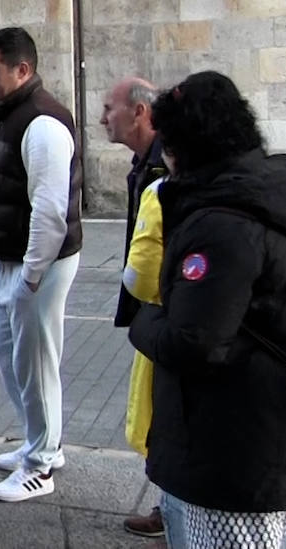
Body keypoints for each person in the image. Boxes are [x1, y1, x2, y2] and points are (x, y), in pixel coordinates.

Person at [130, 71, 286, 549]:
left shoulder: (222, 223)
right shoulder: (270, 191)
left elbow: (195, 341)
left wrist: (144, 320)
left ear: (183, 147)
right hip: (277, 425)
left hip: (237, 444)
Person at [0, 26, 83, 503]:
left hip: (38, 263)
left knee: (35, 362)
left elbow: (51, 210)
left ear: (22, 69)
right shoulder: (14, 114)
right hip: (12, 258)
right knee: (11, 355)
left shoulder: (42, 123)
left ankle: (40, 465)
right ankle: (42, 441)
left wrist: (32, 276)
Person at [99, 76, 167, 538]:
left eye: (109, 108)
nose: (103, 118)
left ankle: (173, 511)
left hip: (166, 305)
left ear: (140, 112)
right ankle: (169, 506)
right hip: (152, 304)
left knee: (165, 406)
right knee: (156, 407)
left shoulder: (163, 167)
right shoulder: (145, 164)